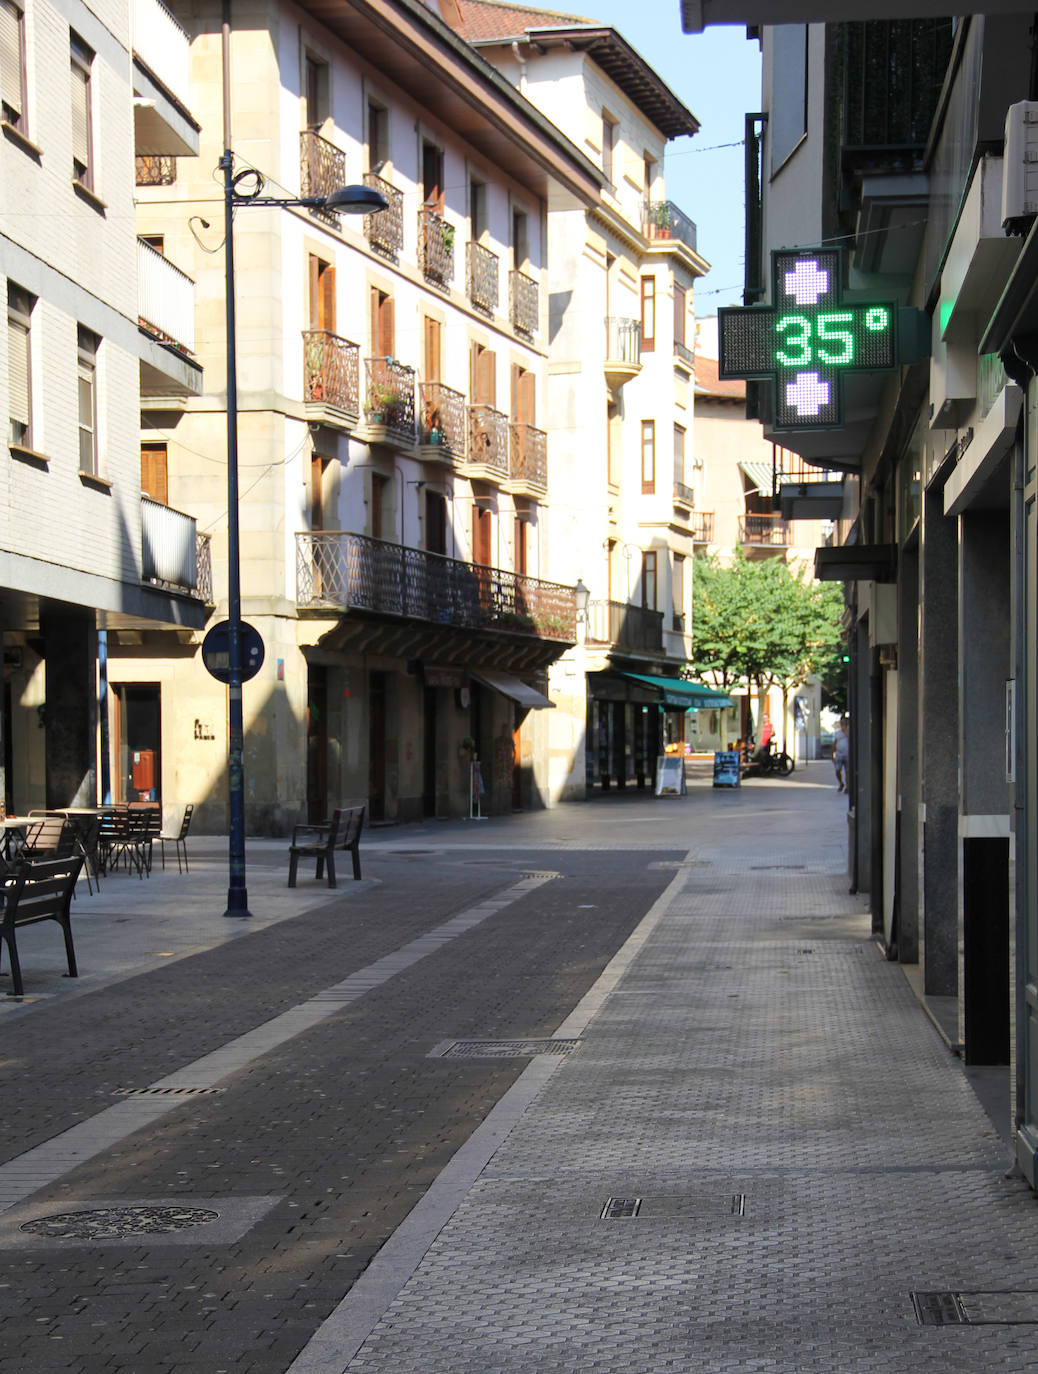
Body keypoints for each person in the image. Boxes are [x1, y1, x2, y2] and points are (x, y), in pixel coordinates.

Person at [833, 716, 850, 793]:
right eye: (841, 724)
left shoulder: (849, 732)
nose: (842, 725)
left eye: (844, 724)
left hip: (847, 755)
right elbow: (834, 743)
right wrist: (832, 753)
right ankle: (841, 783)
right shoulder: (837, 733)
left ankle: (847, 787)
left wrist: (846, 732)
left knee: (847, 772)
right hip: (839, 755)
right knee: (837, 770)